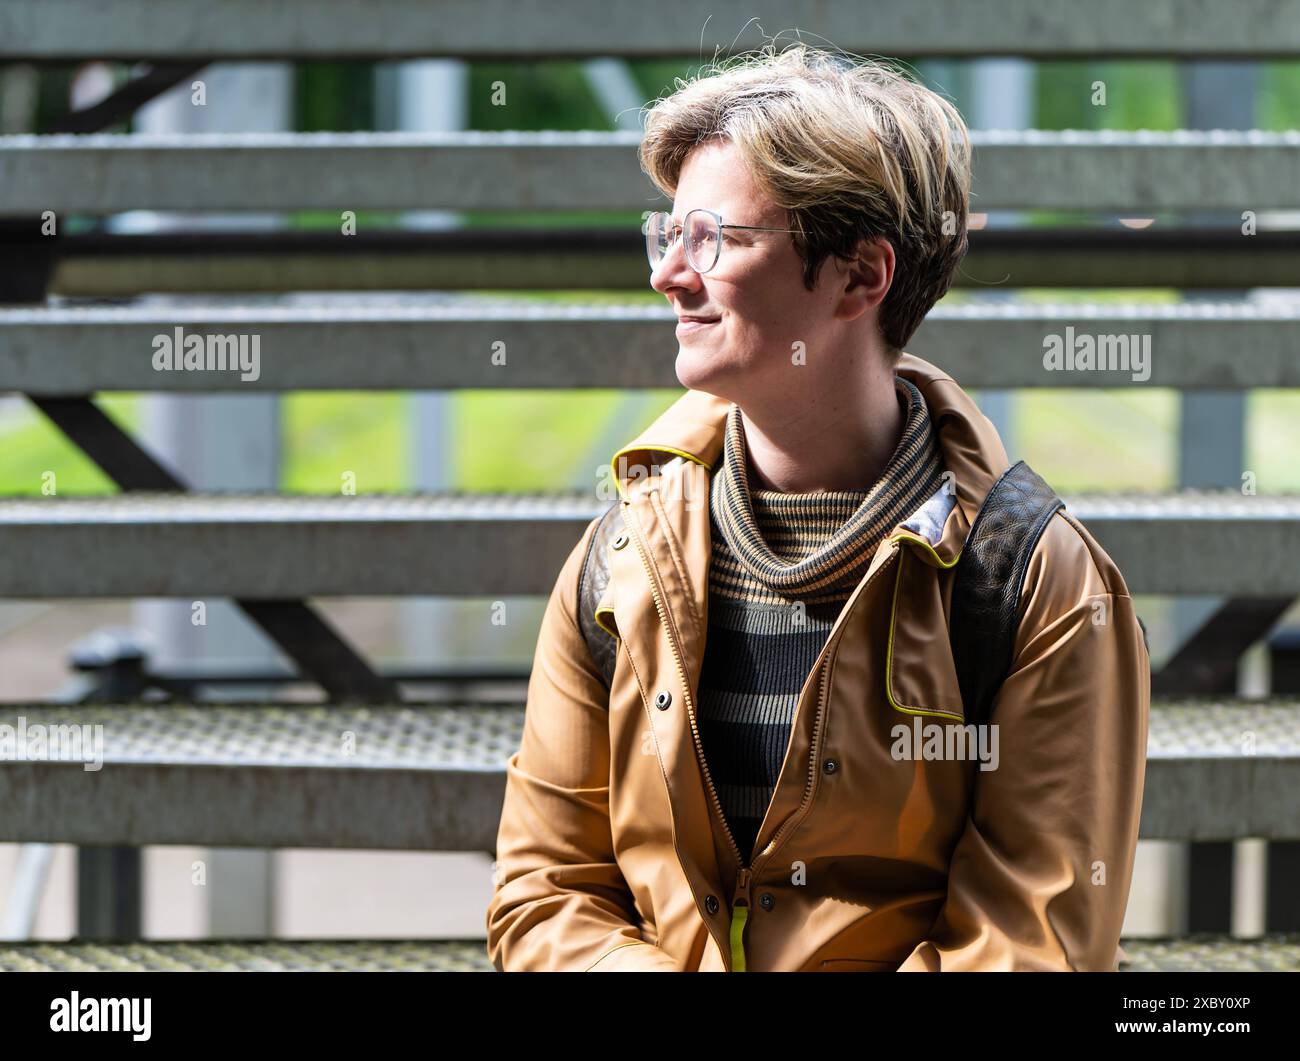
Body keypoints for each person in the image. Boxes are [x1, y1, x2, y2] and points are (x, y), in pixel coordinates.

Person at [486, 43, 1149, 971]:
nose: (668, 276)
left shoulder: (1040, 582)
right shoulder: (621, 555)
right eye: (664, 235)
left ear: (859, 277)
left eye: (713, 238)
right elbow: (543, 897)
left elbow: (1030, 949)